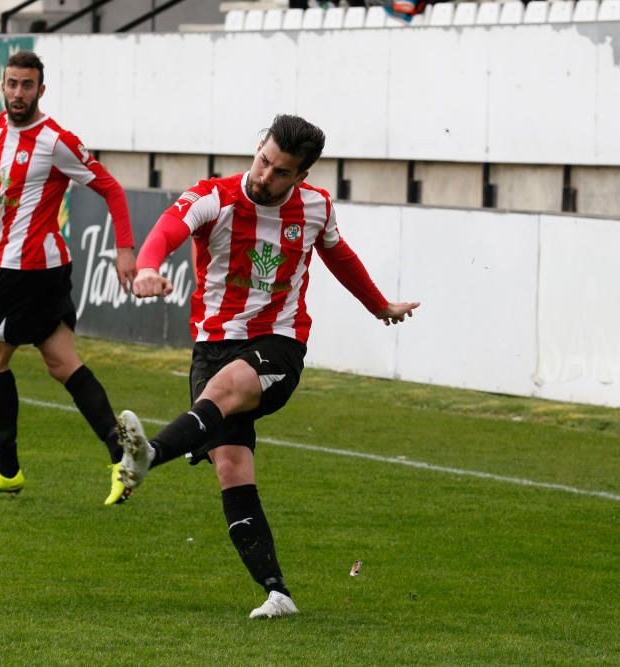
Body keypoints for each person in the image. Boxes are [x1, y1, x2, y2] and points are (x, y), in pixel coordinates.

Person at [114, 114, 420, 619]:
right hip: (212, 345)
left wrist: (379, 305)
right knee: (233, 469)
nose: (265, 176)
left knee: (229, 388)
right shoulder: (213, 196)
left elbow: (340, 257)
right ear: (258, 147)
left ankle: (150, 455)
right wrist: (148, 266)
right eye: (263, 161)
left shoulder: (317, 207)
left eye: (280, 172)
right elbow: (169, 230)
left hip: (277, 343)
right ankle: (278, 592)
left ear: (301, 176)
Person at [0, 50, 138, 503]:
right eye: (12, 84)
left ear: (42, 89)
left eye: (27, 85)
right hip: (38, 267)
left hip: (27, 270)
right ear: (2, 84)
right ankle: (122, 458)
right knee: (61, 361)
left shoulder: (56, 141)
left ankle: (7, 469)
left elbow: (111, 188)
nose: (18, 93)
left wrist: (126, 250)